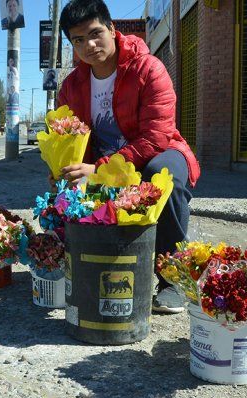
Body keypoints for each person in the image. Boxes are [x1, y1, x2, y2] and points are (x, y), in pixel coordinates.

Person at [56, 0, 201, 314]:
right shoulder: (70, 87)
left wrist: (99, 170)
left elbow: (157, 136)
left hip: (157, 153)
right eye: (78, 40)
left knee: (164, 177)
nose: (89, 45)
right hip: (101, 162)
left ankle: (174, 278)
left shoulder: (149, 69)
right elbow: (66, 140)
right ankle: (80, 268)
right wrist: (63, 170)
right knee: (64, 192)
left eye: (95, 33)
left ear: (111, 28)